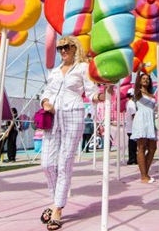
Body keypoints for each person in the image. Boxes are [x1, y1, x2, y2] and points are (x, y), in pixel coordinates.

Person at [40, 36, 109, 230]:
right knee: (47, 163)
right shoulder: (54, 71)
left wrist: (103, 96)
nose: (62, 50)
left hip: (74, 114)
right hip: (52, 117)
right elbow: (46, 93)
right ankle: (55, 201)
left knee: (64, 162)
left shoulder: (82, 68)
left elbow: (91, 92)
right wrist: (45, 102)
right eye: (59, 48)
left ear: (74, 48)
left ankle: (57, 209)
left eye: (66, 47)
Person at [131, 73, 158, 183]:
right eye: (143, 79)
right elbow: (137, 91)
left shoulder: (151, 93)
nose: (146, 80)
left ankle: (145, 173)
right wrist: (138, 71)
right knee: (141, 148)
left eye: (147, 79)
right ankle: (144, 176)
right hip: (141, 120)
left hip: (150, 121)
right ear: (139, 81)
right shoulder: (137, 93)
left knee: (152, 148)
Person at [125, 89, 137, 164]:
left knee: (132, 144)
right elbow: (134, 115)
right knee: (133, 145)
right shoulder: (132, 103)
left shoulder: (128, 102)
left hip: (130, 127)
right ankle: (132, 159)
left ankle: (133, 159)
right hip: (132, 127)